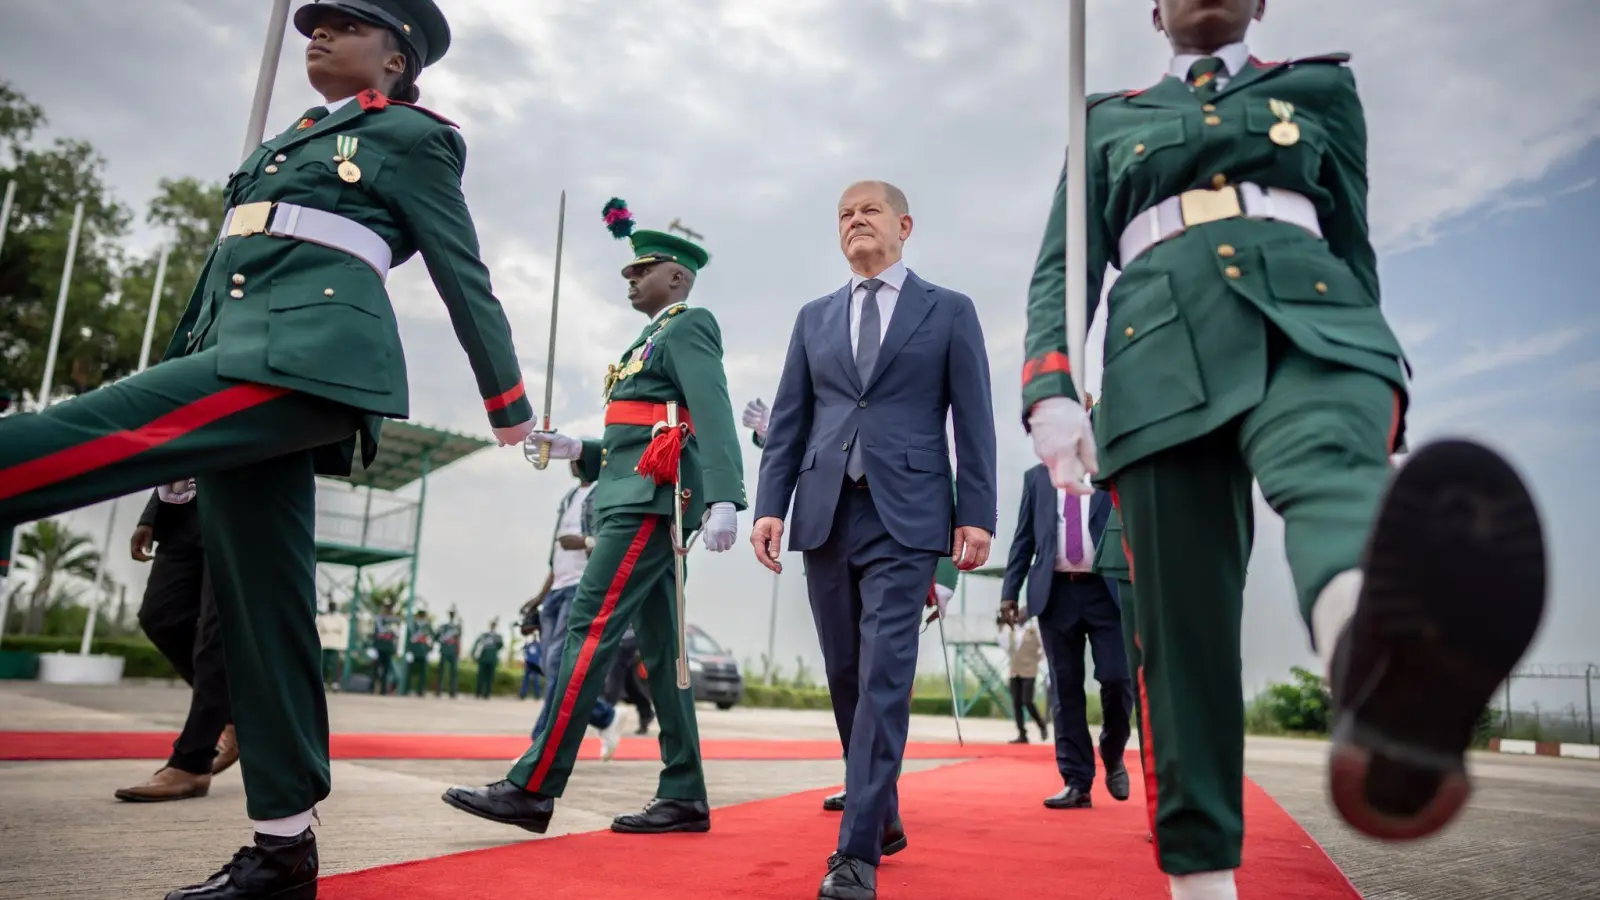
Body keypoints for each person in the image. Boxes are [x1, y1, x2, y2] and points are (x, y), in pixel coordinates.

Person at [0, 1, 537, 894]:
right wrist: (184, 367)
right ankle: (283, 850)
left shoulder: (411, 137)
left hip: (305, 363)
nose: (316, 34)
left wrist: (509, 406)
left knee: (74, 434)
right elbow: (219, 284)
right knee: (266, 612)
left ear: (396, 58)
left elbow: (461, 269)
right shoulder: (287, 141)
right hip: (238, 358)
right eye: (312, 22)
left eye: (342, 25)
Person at [1019, 2, 1547, 896]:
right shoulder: (1106, 116)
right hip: (1157, 355)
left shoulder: (1320, 88)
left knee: (1335, 479)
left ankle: (1378, 669)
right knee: (1180, 631)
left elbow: (1355, 245)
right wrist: (1051, 389)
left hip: (1312, 325)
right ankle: (1204, 885)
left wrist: (1383, 397)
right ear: (1151, 8)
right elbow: (1062, 271)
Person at [444, 205, 745, 837]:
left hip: (649, 502)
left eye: (644, 269)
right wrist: (576, 449)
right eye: (629, 270)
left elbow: (710, 413)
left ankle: (532, 787)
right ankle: (684, 792)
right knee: (663, 655)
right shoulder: (645, 342)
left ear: (679, 277)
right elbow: (637, 434)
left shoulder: (689, 326)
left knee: (589, 627)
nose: (631, 279)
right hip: (629, 493)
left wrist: (724, 497)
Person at [751, 180, 998, 900]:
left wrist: (974, 513)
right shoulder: (813, 317)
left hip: (909, 514)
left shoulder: (948, 310)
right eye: (844, 214)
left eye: (870, 211)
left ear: (905, 225)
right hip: (826, 510)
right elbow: (791, 420)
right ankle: (882, 812)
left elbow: (973, 419)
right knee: (844, 675)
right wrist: (772, 504)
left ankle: (856, 853)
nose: (855, 221)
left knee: (885, 673)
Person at [1000, 393, 1133, 810]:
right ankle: (1077, 781)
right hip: (1055, 593)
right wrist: (1009, 592)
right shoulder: (1036, 479)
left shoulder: (1106, 468)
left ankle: (1112, 749)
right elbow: (1023, 540)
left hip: (1106, 590)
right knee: (1065, 690)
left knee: (1117, 679)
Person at [114, 487, 238, 803]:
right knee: (159, 617)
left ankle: (192, 762)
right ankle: (236, 714)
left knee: (215, 638)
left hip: (239, 505)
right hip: (184, 512)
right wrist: (151, 516)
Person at [525, 459, 622, 755]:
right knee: (548, 664)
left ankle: (540, 744)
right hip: (556, 591)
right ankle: (605, 715)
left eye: (578, 456)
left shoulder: (603, 494)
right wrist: (539, 598)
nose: (572, 462)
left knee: (559, 664)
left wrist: (584, 542)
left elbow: (615, 538)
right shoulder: (568, 498)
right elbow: (557, 557)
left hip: (582, 587)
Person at [997, 614, 1048, 745]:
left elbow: (1044, 646)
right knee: (1016, 703)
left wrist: (1038, 658)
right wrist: (1001, 625)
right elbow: (1005, 645)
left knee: (1027, 700)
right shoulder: (1012, 630)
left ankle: (1041, 724)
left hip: (1029, 670)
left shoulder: (1034, 629)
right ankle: (1022, 733)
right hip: (1015, 670)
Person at [606, 625, 656, 736]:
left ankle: (606, 717)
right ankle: (646, 714)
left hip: (633, 642)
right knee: (626, 684)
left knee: (626, 684)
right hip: (619, 641)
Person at [317, 601, 349, 690]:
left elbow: (344, 633)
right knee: (324, 664)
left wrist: (343, 646)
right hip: (324, 643)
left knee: (334, 664)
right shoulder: (323, 618)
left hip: (335, 644)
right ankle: (323, 682)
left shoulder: (341, 619)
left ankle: (335, 682)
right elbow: (318, 631)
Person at [402, 609, 433, 696]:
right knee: (409, 672)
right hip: (413, 651)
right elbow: (408, 639)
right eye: (421, 616)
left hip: (423, 651)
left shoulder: (428, 627)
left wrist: (429, 650)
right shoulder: (412, 626)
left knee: (422, 673)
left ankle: (420, 690)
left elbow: (431, 638)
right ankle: (406, 689)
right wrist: (408, 651)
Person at [371, 605, 400, 696]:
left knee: (385, 670)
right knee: (378, 669)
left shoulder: (393, 621)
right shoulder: (379, 620)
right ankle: (375, 688)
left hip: (387, 647)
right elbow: (375, 633)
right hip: (380, 647)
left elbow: (396, 635)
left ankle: (382, 689)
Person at [472, 620, 505, 699]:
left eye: (494, 625)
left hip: (492, 659)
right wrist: (473, 654)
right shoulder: (484, 635)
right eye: (492, 624)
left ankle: (487, 694)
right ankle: (478, 692)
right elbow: (477, 644)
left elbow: (501, 646)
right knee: (481, 676)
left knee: (490, 677)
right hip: (483, 658)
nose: (493, 626)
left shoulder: (498, 636)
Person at [434, 609, 463, 697]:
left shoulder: (457, 627)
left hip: (453, 651)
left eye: (453, 614)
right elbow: (437, 637)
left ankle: (452, 691)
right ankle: (438, 690)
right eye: (451, 614)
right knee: (441, 671)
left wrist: (458, 650)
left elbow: (458, 640)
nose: (452, 615)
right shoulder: (443, 626)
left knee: (453, 672)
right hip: (444, 650)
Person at [519, 634, 543, 700]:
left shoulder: (539, 645)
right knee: (525, 680)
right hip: (529, 664)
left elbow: (542, 654)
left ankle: (537, 695)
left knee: (536, 680)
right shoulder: (529, 644)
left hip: (536, 664)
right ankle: (522, 694)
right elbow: (524, 650)